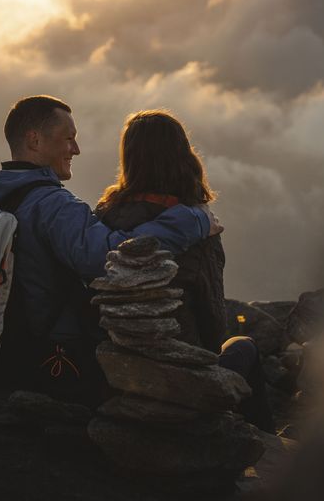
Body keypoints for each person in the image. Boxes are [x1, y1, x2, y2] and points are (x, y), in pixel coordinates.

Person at [0, 96, 220, 406]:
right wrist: (192, 219)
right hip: (49, 360)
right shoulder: (53, 204)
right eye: (69, 139)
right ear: (35, 140)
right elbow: (112, 257)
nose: (76, 149)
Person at [95, 109, 275, 432]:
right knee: (244, 345)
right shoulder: (199, 230)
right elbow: (213, 328)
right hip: (181, 377)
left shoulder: (106, 218)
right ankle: (265, 449)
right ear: (182, 155)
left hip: (117, 374)